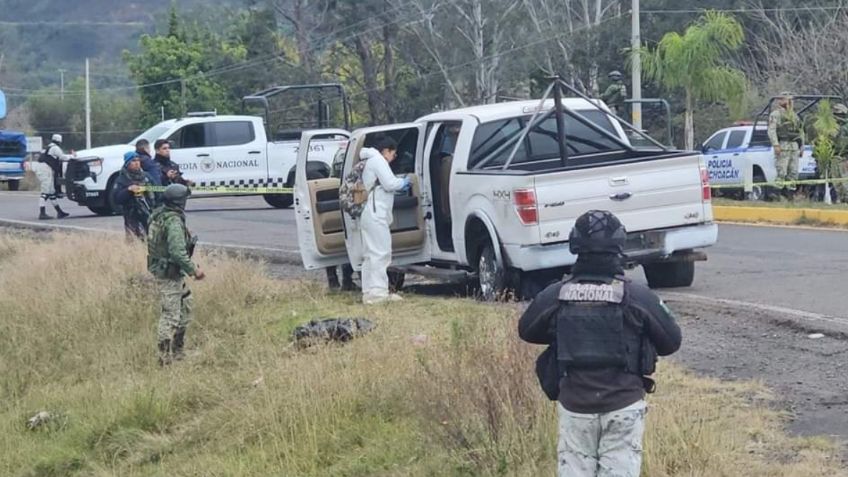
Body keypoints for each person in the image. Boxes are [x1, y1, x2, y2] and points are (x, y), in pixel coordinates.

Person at [518, 210, 682, 477]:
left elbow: (527, 330)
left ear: (574, 246)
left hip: (575, 405)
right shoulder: (636, 295)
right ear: (620, 245)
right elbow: (671, 341)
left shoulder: (556, 294)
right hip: (623, 405)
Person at [147, 184, 204, 365]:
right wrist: (194, 270)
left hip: (169, 271)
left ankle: (178, 352)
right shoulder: (172, 221)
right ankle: (165, 359)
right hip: (169, 274)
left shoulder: (159, 215)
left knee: (185, 306)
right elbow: (177, 252)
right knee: (171, 315)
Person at [359, 136, 411, 304]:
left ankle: (368, 291)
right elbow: (389, 183)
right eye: (393, 155)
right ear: (386, 151)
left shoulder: (369, 160)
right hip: (376, 214)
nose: (392, 159)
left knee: (369, 254)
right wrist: (403, 182)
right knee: (381, 252)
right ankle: (379, 293)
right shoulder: (378, 160)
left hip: (368, 213)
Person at [768, 92, 804, 199]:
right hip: (783, 144)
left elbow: (801, 132)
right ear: (780, 101)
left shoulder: (795, 116)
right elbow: (772, 130)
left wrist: (802, 146)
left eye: (791, 100)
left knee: (793, 172)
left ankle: (790, 194)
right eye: (787, 99)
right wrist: (776, 145)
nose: (790, 102)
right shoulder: (776, 114)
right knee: (782, 171)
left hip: (794, 146)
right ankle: (776, 194)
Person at [113, 152, 156, 240]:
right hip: (132, 215)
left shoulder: (146, 177)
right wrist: (128, 190)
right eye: (133, 161)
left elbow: (158, 190)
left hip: (150, 213)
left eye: (138, 160)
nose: (137, 163)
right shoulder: (122, 179)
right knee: (134, 241)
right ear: (127, 163)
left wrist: (148, 189)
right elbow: (117, 199)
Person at [32, 134, 72, 220]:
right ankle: (42, 214)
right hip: (45, 170)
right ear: (59, 141)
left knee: (51, 192)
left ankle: (59, 212)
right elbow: (63, 157)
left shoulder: (48, 147)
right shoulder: (55, 148)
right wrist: (72, 156)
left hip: (43, 169)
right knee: (45, 193)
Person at [832, 103, 848, 202]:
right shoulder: (833, 127)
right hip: (835, 156)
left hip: (844, 157)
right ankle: (841, 199)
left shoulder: (846, 127)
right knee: (836, 180)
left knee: (845, 179)